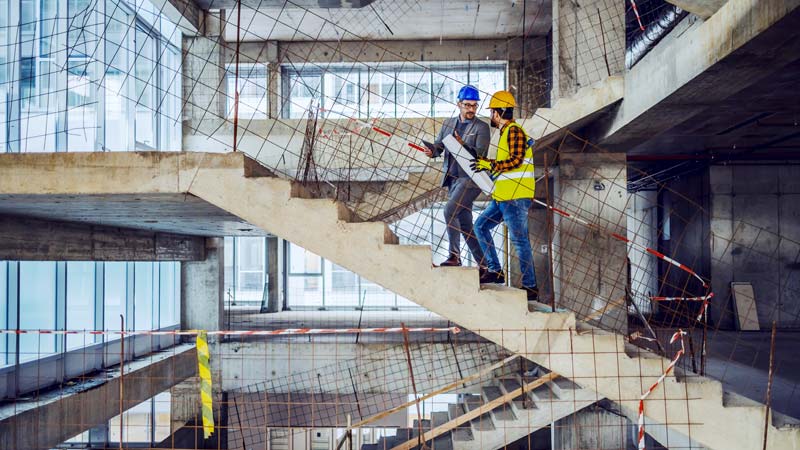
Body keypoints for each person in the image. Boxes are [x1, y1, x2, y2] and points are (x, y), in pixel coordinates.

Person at [470, 90, 538, 301]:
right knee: (480, 226)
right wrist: (487, 170)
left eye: (492, 112)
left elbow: (515, 161)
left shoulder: (514, 131)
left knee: (520, 241)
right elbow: (504, 166)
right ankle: (495, 271)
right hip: (503, 197)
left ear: (499, 112)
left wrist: (489, 164)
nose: (491, 116)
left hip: (515, 197)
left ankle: (531, 287)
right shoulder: (504, 134)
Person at [424, 85, 491, 268]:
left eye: (474, 106)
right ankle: (486, 265)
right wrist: (432, 151)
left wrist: (462, 145)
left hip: (470, 179)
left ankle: (454, 256)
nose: (471, 109)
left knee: (449, 211)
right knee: (465, 224)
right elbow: (440, 146)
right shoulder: (448, 124)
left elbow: (480, 155)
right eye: (467, 105)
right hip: (452, 179)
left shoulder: (482, 128)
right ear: (459, 104)